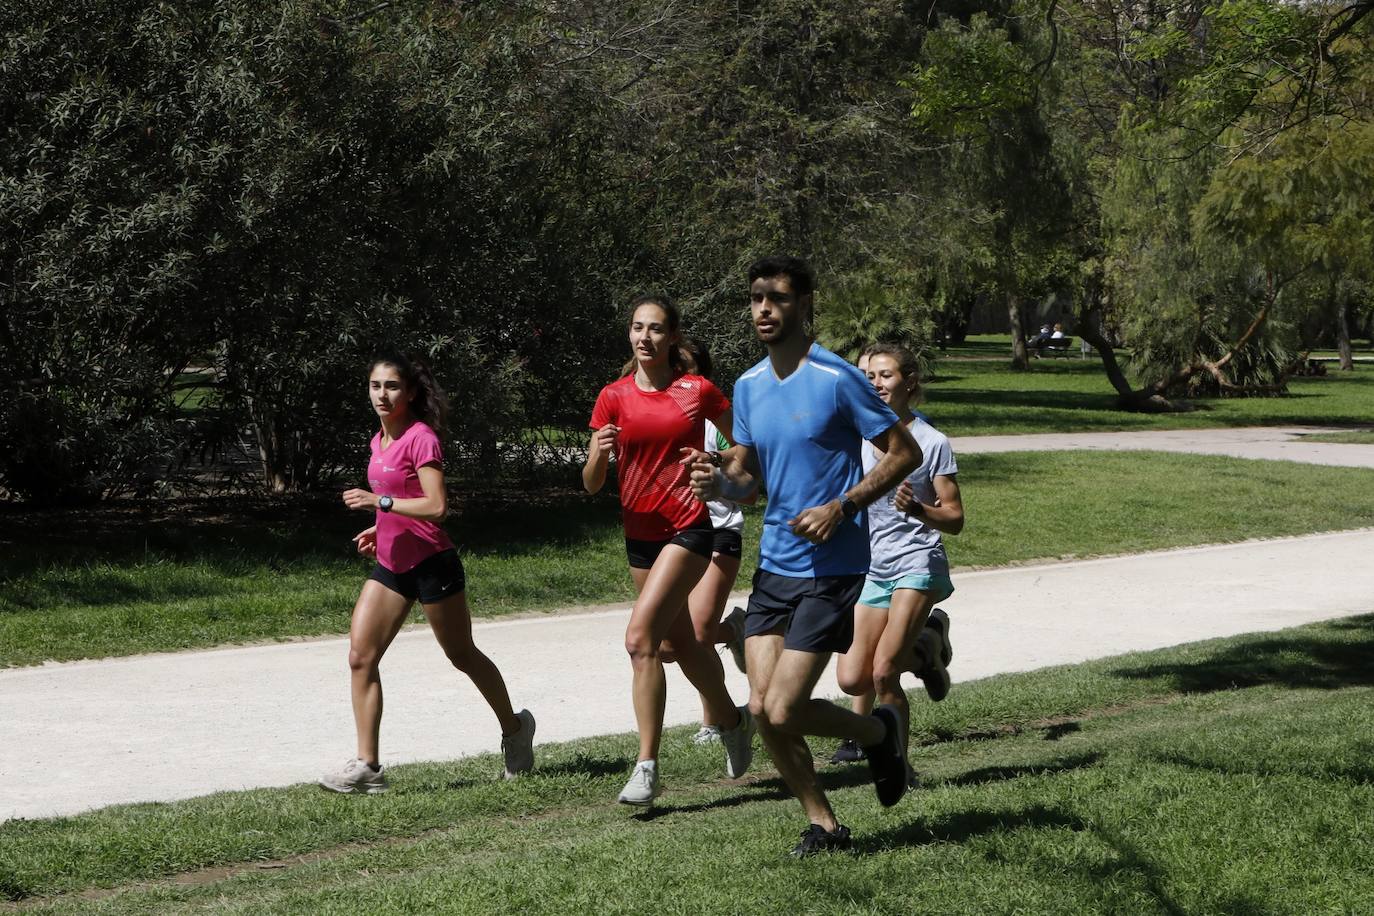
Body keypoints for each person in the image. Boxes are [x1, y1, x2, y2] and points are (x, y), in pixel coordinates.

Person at [686, 256, 923, 857]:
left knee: (782, 706)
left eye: (778, 298)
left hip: (834, 566)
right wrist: (718, 483)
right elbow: (749, 478)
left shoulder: (838, 378)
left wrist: (842, 506)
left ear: (804, 306)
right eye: (756, 298)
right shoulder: (747, 386)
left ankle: (876, 730)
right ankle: (827, 821)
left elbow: (904, 453)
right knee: (765, 711)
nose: (764, 309)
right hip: (776, 565)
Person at [321, 353, 535, 794]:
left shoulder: (421, 439)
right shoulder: (378, 441)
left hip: (432, 564)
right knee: (361, 656)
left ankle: (515, 730)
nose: (383, 394)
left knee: (462, 655)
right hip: (391, 564)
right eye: (376, 385)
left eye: (392, 386)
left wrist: (377, 505)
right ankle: (368, 768)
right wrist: (379, 529)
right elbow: (400, 501)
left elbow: (436, 508)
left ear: (411, 393)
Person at [583, 295, 756, 806]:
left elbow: (745, 447)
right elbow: (592, 485)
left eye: (656, 329)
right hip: (639, 535)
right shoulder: (611, 396)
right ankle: (732, 719)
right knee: (675, 646)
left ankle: (647, 766)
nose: (644, 338)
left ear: (673, 337)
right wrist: (597, 454)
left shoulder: (696, 390)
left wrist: (719, 462)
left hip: (690, 529)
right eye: (637, 327)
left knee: (640, 640)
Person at [833, 342, 963, 777]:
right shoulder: (858, 438)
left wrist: (918, 510)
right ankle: (926, 649)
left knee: (885, 672)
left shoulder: (931, 442)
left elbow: (955, 517)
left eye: (886, 376)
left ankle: (900, 768)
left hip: (918, 562)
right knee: (853, 678)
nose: (876, 384)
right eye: (870, 377)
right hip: (874, 566)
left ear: (909, 382)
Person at [673, 337, 750, 747]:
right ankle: (736, 630)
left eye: (686, 367)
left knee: (698, 636)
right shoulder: (659, 416)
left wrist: (715, 461)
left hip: (720, 531)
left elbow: (748, 477)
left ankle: (715, 721)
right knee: (670, 646)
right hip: (674, 538)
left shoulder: (714, 423)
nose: (678, 375)